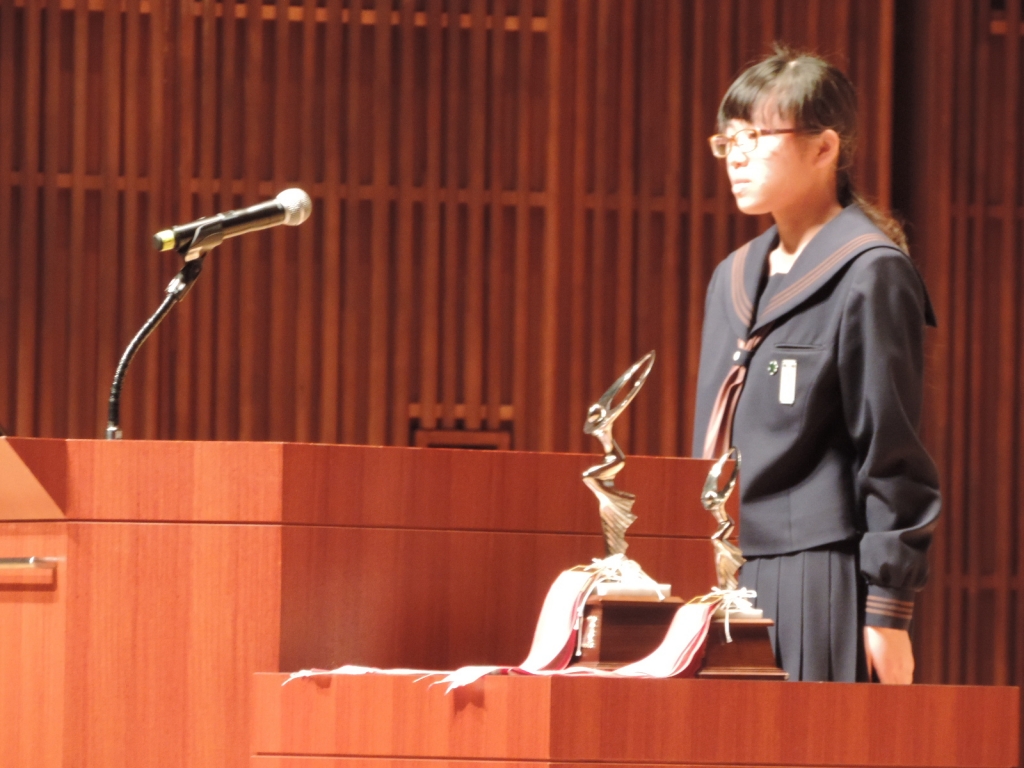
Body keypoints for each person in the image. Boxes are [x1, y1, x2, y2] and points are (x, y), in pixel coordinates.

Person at [691, 47, 941, 683]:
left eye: (755, 137)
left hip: (816, 575)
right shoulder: (732, 276)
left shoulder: (870, 271)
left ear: (825, 147)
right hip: (719, 572)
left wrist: (887, 609)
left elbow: (892, 451)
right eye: (728, 140)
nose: (736, 156)